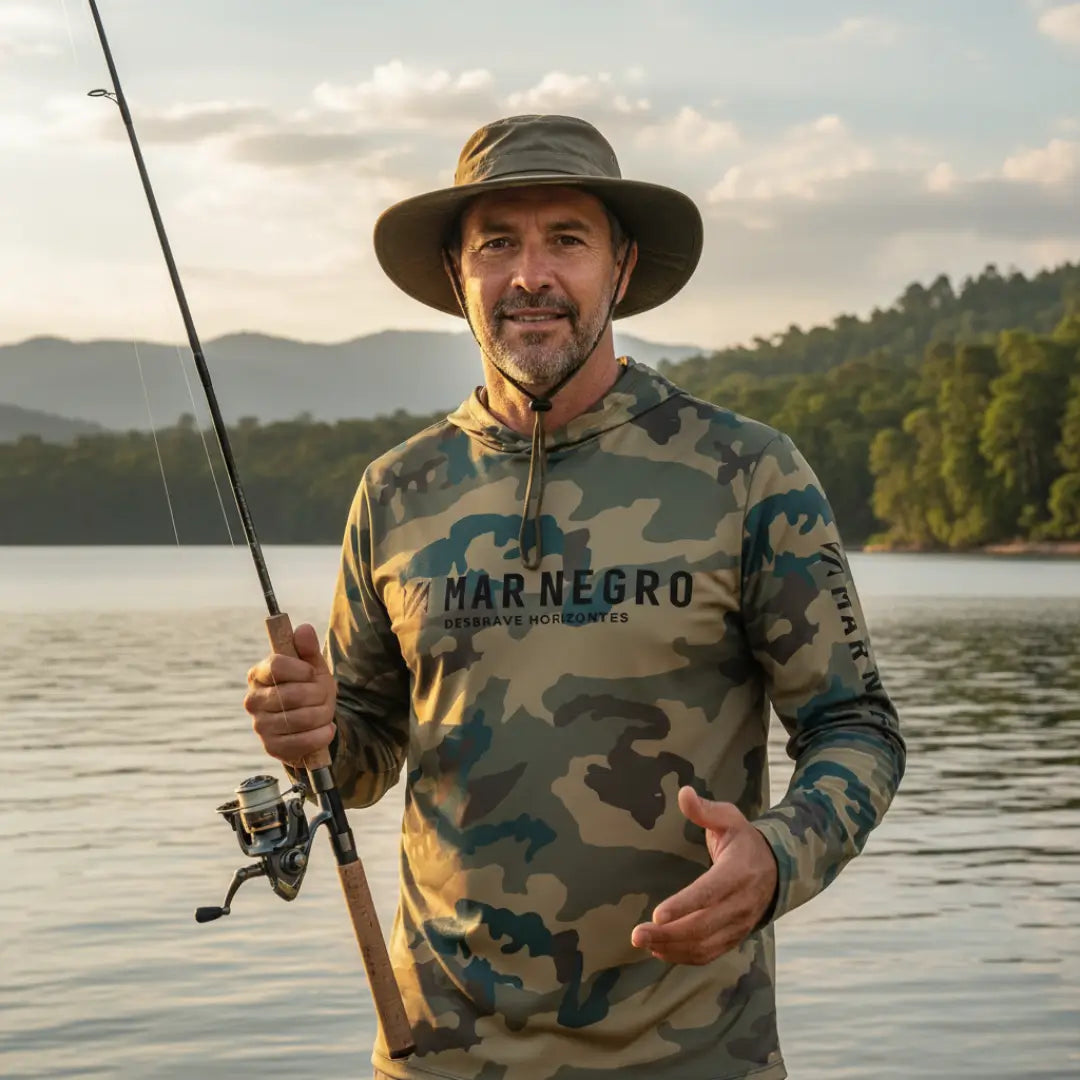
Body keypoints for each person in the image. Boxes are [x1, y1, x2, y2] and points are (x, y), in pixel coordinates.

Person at [243, 114, 905, 1080]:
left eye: (567, 239)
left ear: (622, 268)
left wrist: (777, 858)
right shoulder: (396, 491)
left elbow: (858, 724)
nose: (531, 275)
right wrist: (307, 734)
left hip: (694, 1053)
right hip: (435, 1051)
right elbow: (358, 760)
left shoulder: (747, 472)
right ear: (457, 274)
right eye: (497, 243)